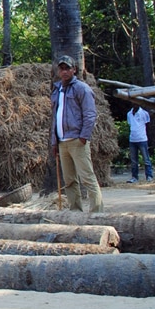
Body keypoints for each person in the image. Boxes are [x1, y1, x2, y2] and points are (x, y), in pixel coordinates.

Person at [50, 55, 103, 212]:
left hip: (77, 141)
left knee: (87, 178)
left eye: (68, 68)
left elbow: (90, 114)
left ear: (74, 70)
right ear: (58, 71)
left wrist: (83, 137)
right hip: (62, 142)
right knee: (69, 181)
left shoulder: (82, 88)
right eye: (62, 68)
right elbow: (55, 117)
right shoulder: (57, 89)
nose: (64, 71)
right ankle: (75, 212)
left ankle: (97, 213)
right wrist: (54, 141)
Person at [127, 105, 154, 183]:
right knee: (133, 160)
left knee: (146, 159)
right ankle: (134, 177)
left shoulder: (144, 113)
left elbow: (147, 124)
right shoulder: (129, 114)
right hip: (132, 139)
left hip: (142, 139)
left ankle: (149, 176)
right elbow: (130, 124)